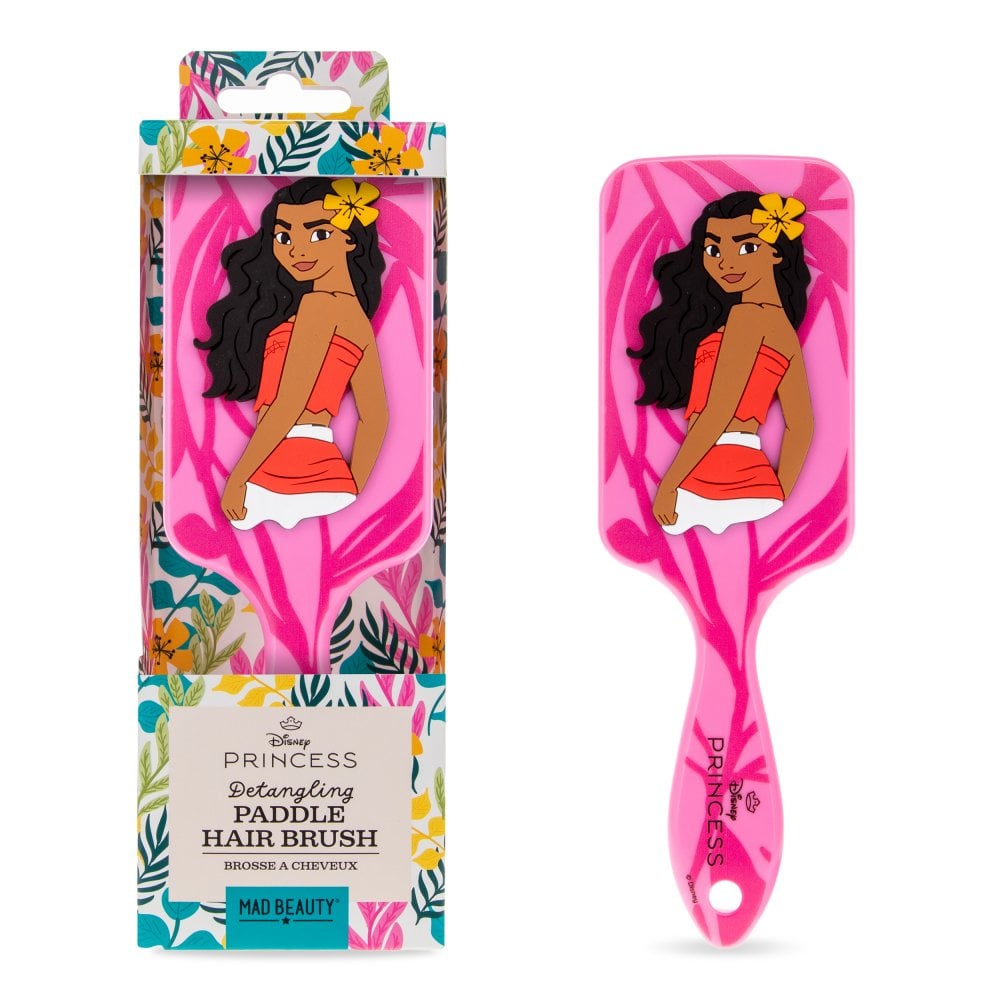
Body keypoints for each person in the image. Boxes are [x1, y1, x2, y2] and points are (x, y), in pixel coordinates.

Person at [197, 177, 389, 530]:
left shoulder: (319, 306)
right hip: (326, 474)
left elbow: (289, 403)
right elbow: (375, 418)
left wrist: (239, 478)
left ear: (349, 238)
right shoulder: (356, 317)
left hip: (279, 472)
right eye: (284, 238)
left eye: (318, 234)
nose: (297, 250)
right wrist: (353, 487)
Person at [629, 191, 814, 534]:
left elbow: (719, 411)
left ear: (775, 251)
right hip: (753, 481)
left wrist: (670, 485)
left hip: (709, 478)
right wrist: (780, 494)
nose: (726, 263)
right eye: (714, 250)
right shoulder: (782, 328)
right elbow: (801, 426)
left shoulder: (747, 317)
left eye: (746, 247)